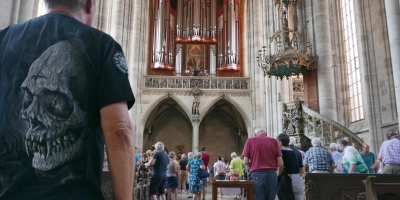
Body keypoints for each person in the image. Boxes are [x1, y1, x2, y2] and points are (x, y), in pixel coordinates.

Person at [0, 0, 136, 199]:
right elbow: (119, 131)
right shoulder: (101, 45)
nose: (34, 116)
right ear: (90, 5)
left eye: (55, 102)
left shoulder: (4, 40)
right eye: (29, 98)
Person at [242, 127, 283, 200]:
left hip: (257, 174)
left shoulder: (250, 141)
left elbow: (245, 161)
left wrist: (254, 166)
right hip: (272, 174)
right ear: (266, 134)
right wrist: (272, 166)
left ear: (255, 134)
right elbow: (280, 163)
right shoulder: (274, 141)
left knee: (258, 197)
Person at [277, 133, 305, 200]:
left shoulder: (280, 153)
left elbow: (281, 168)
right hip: (297, 179)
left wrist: (276, 176)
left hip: (285, 180)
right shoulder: (297, 152)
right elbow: (302, 170)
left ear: (280, 142)